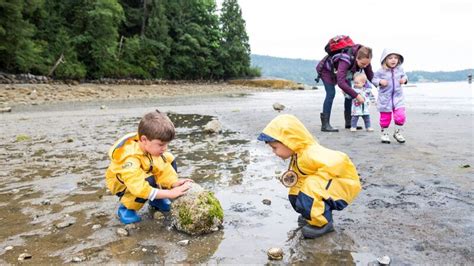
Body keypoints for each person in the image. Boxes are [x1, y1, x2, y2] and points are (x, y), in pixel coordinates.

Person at [257, 114, 361, 238]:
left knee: (311, 187)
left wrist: (320, 180)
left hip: (345, 184)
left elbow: (340, 161)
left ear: (289, 142)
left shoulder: (310, 153)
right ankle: (312, 215)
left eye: (275, 147)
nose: (274, 152)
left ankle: (323, 223)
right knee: (296, 191)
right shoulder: (297, 155)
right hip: (332, 185)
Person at [105, 110, 192, 224]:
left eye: (167, 144)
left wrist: (173, 183)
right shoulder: (129, 158)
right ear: (144, 140)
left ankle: (156, 199)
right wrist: (170, 193)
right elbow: (138, 188)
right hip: (124, 185)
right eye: (161, 144)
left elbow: (163, 168)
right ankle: (127, 208)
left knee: (168, 159)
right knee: (148, 180)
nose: (165, 148)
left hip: (143, 175)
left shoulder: (151, 149)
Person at [317, 45, 374, 132]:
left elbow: (371, 76)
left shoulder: (365, 59)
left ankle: (349, 123)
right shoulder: (346, 59)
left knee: (349, 94)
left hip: (343, 72)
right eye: (363, 64)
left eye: (367, 64)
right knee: (331, 93)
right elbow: (341, 83)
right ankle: (325, 124)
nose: (365, 66)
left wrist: (382, 86)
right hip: (327, 70)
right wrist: (357, 96)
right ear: (357, 58)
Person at [372, 49, 408, 144]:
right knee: (385, 118)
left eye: (395, 58)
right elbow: (374, 79)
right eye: (390, 58)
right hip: (385, 99)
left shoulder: (400, 70)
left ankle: (398, 132)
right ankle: (384, 133)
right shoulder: (381, 71)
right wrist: (380, 82)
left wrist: (404, 79)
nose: (393, 60)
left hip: (398, 98)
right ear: (385, 59)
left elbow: (405, 76)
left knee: (400, 116)